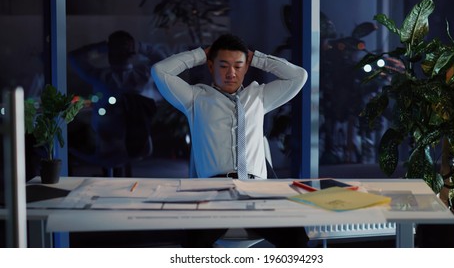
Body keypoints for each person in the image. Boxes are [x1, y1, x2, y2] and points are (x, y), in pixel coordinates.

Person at [151, 33, 309, 247]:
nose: (231, 73)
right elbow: (160, 71)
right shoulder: (195, 99)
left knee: (297, 239)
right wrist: (200, 54)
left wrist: (257, 58)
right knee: (192, 244)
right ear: (210, 66)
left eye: (238, 66)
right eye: (223, 65)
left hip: (258, 191)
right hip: (215, 192)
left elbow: (299, 76)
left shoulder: (259, 97)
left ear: (246, 67)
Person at [68, 30, 162, 176]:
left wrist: (103, 48)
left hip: (113, 144)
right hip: (135, 143)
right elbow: (162, 60)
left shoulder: (101, 77)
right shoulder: (142, 74)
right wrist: (139, 47)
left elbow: (75, 57)